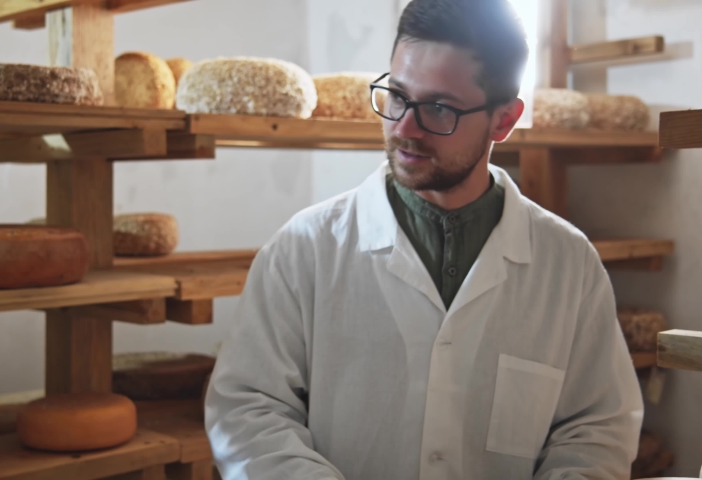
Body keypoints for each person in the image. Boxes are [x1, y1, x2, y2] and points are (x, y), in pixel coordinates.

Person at [204, 0, 645, 478]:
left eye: (438, 108)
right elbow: (248, 411)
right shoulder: (303, 250)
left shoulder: (568, 265)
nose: (404, 128)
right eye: (397, 95)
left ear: (503, 119)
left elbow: (597, 429)